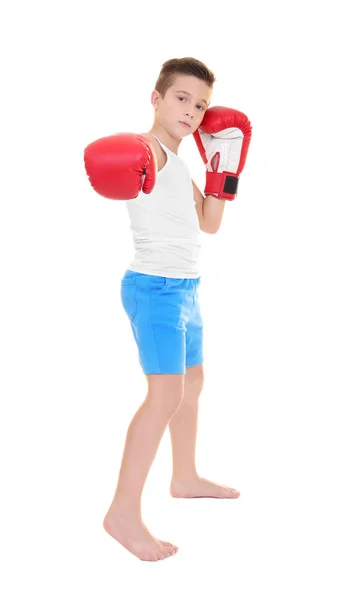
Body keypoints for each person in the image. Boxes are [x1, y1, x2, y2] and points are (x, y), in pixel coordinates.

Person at [84, 57, 252, 561]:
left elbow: (210, 222)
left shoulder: (179, 164)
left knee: (193, 383)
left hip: (186, 289)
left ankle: (184, 476)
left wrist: (226, 165)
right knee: (163, 396)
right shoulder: (150, 152)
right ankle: (122, 513)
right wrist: (133, 148)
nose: (193, 111)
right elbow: (124, 155)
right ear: (156, 99)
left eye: (201, 105)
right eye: (182, 98)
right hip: (154, 290)